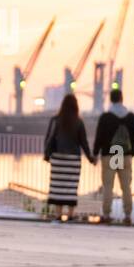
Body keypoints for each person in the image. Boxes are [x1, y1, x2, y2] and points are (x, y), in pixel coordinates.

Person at [42, 93, 94, 222]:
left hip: (58, 158)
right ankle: (70, 215)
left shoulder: (55, 120)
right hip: (73, 160)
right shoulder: (79, 122)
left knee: (57, 187)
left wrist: (47, 155)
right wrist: (90, 158)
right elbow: (84, 142)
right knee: (71, 187)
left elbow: (49, 138)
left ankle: (58, 214)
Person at [92, 88, 134, 225]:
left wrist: (95, 153)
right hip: (125, 155)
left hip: (110, 154)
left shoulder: (106, 117)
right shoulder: (131, 117)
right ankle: (128, 215)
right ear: (121, 98)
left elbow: (99, 137)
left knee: (108, 186)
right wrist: (132, 153)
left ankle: (106, 214)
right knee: (126, 187)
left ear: (110, 99)